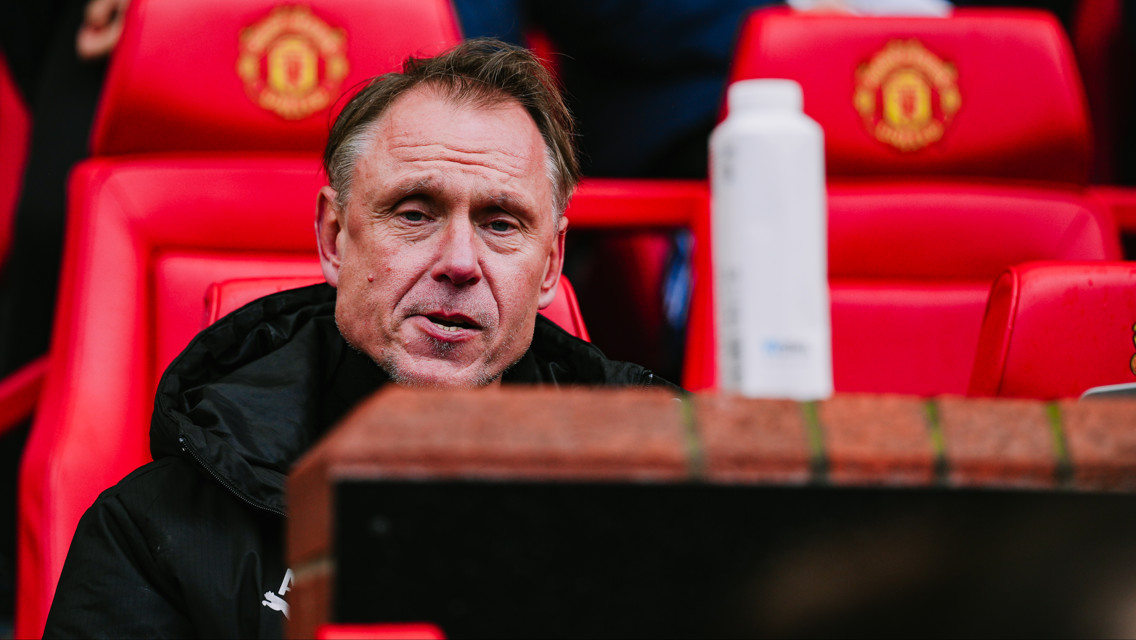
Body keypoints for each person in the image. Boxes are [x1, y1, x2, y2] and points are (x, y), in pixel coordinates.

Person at [42, 38, 678, 638]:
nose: (459, 260)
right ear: (333, 236)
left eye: (501, 222)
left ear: (549, 264)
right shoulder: (155, 531)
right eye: (414, 213)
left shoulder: (665, 505)